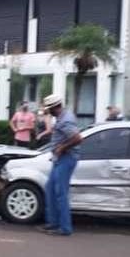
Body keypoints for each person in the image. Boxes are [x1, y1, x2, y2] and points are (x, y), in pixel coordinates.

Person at [38, 94, 82, 237]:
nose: (47, 111)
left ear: (54, 107)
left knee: (60, 193)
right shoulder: (62, 117)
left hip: (66, 158)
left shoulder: (66, 120)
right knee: (50, 188)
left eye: (48, 109)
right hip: (59, 158)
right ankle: (53, 223)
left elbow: (77, 138)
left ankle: (65, 228)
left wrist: (62, 147)